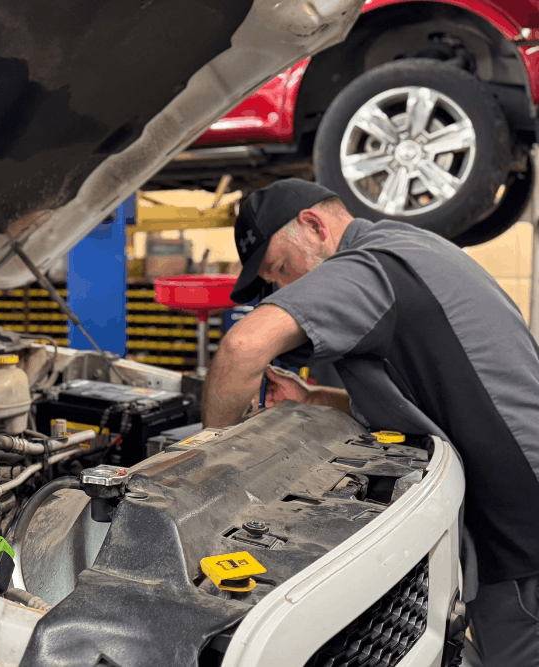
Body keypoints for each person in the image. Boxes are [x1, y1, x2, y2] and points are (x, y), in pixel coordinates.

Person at [202, 178, 539, 666]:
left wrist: (213, 453)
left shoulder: (369, 267)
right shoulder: (408, 249)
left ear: (314, 226)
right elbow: (429, 392)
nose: (281, 287)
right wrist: (315, 398)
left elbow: (243, 347)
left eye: (278, 269)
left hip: (522, 541)